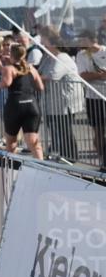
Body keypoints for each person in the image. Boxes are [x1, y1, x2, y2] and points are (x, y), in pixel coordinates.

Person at [38, 29, 85, 162]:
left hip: (65, 103)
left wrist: (36, 77)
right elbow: (39, 72)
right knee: (56, 128)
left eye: (44, 41)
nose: (42, 44)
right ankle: (61, 153)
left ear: (52, 43)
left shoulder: (62, 57)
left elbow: (53, 76)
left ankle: (71, 157)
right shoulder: (48, 57)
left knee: (64, 129)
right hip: (53, 102)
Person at [0, 43, 45, 160]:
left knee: (11, 141)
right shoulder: (30, 68)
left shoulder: (9, 68)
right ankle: (42, 166)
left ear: (11, 55)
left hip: (15, 106)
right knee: (33, 141)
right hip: (31, 105)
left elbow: (6, 83)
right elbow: (40, 87)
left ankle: (12, 167)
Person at [76, 38, 106, 171]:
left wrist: (94, 75)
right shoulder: (81, 55)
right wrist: (100, 75)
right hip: (93, 98)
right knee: (98, 131)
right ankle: (102, 162)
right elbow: (83, 75)